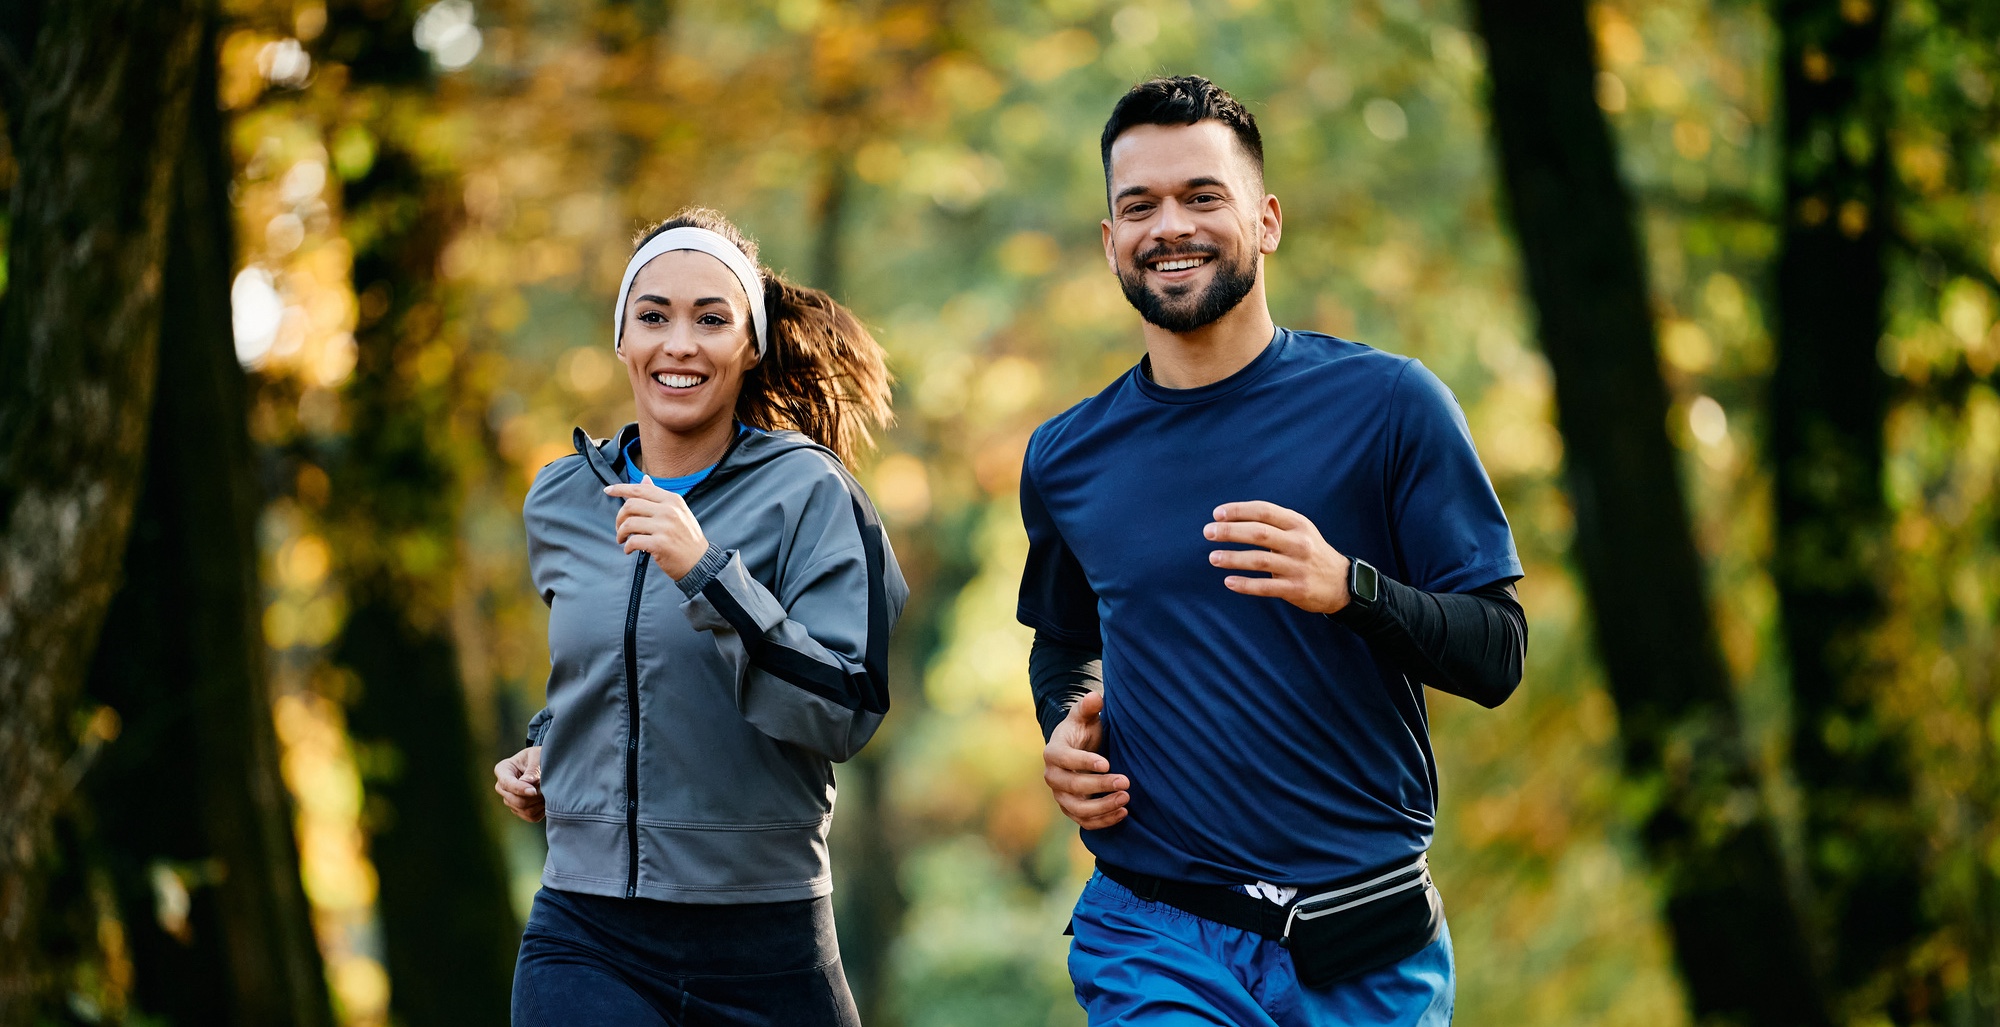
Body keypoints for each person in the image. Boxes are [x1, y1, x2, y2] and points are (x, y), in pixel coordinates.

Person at [1020, 76, 1528, 1026]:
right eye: (1140, 206)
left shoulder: (1392, 407)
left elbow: (1498, 653)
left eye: (1202, 196)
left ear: (1266, 220)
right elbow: (1063, 641)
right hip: (1154, 934)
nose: (1170, 225)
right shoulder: (1065, 455)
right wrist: (1064, 723)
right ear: (1110, 242)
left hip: (1364, 945)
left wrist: (1351, 588)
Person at [492, 207, 905, 1026]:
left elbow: (846, 708)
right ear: (622, 340)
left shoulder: (810, 494)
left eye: (711, 319)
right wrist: (549, 747)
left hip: (767, 941)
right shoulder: (561, 498)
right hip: (586, 930)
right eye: (653, 316)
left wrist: (707, 571)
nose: (680, 343)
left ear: (748, 345)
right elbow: (613, 671)